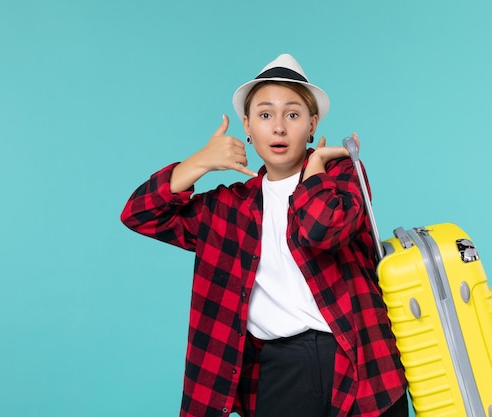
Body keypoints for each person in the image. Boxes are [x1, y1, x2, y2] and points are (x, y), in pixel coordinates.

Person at [120, 54, 408, 417]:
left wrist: (314, 170)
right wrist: (200, 162)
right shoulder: (228, 209)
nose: (279, 128)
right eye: (265, 114)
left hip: (359, 363)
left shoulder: (341, 176)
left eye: (292, 114)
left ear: (312, 124)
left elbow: (323, 230)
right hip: (278, 370)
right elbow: (140, 214)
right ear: (247, 126)